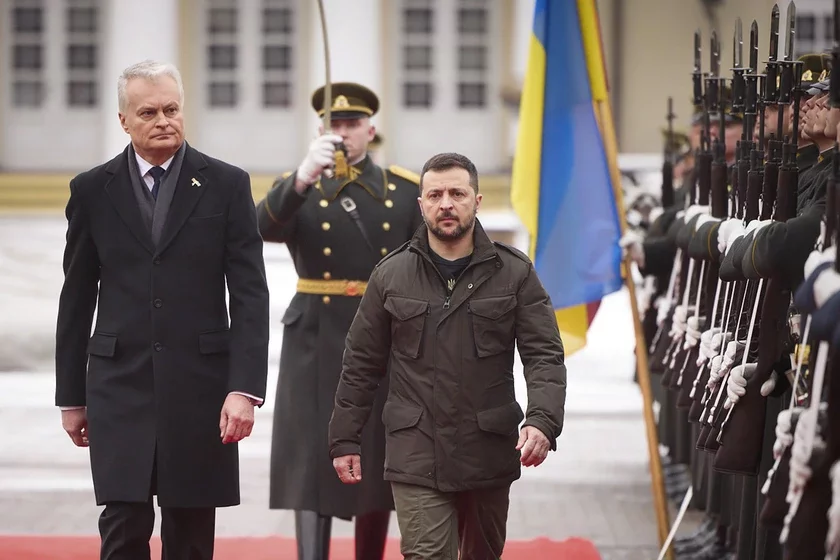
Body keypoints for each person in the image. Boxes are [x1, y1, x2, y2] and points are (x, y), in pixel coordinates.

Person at [54, 60, 270, 560]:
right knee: (123, 525)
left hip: (201, 388)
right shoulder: (91, 190)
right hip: (118, 385)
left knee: (191, 532)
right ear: (124, 121)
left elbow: (250, 294)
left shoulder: (226, 184)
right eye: (148, 112)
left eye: (172, 109)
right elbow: (76, 297)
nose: (164, 120)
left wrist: (244, 390)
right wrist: (71, 396)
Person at [328, 152, 567, 559]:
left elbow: (543, 354)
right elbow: (361, 364)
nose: (446, 204)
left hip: (488, 449)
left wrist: (543, 420)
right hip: (416, 450)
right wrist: (344, 438)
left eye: (457, 193)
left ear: (477, 200)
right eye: (435, 194)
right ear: (421, 205)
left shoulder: (514, 273)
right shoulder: (391, 274)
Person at [255, 82, 424, 560]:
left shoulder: (401, 190)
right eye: (335, 125)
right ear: (320, 131)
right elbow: (258, 229)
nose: (344, 133)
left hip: (381, 335)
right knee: (311, 456)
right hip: (314, 337)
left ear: (371, 129)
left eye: (353, 124)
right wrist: (304, 179)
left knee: (375, 454)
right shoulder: (300, 187)